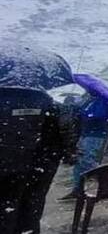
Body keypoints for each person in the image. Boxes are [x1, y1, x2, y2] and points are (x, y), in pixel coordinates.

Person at [1, 87, 76, 234]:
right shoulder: (50, 103)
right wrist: (67, 153)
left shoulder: (3, 99)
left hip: (7, 166)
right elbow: (65, 132)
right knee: (32, 205)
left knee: (6, 206)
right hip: (41, 166)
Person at [59, 94, 108, 201]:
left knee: (87, 160)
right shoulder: (90, 101)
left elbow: (98, 116)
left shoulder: (105, 101)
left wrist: (85, 113)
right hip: (86, 133)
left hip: (95, 135)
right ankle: (78, 189)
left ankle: (106, 181)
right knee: (79, 162)